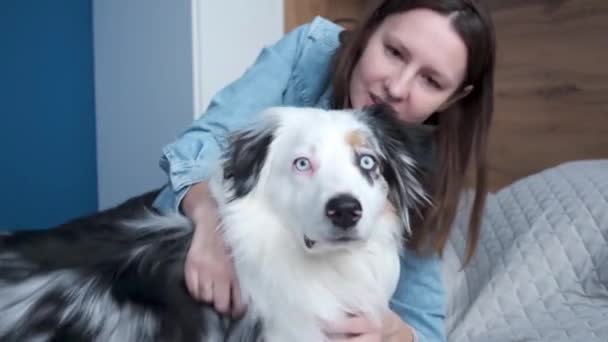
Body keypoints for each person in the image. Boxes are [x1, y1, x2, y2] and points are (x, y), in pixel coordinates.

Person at [153, 0, 496, 340]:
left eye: (431, 81)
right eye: (394, 52)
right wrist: (212, 224)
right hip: (175, 252)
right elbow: (201, 146)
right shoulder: (310, 51)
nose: (397, 87)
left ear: (453, 98)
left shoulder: (418, 167)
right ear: (369, 30)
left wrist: (394, 331)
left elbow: (424, 324)